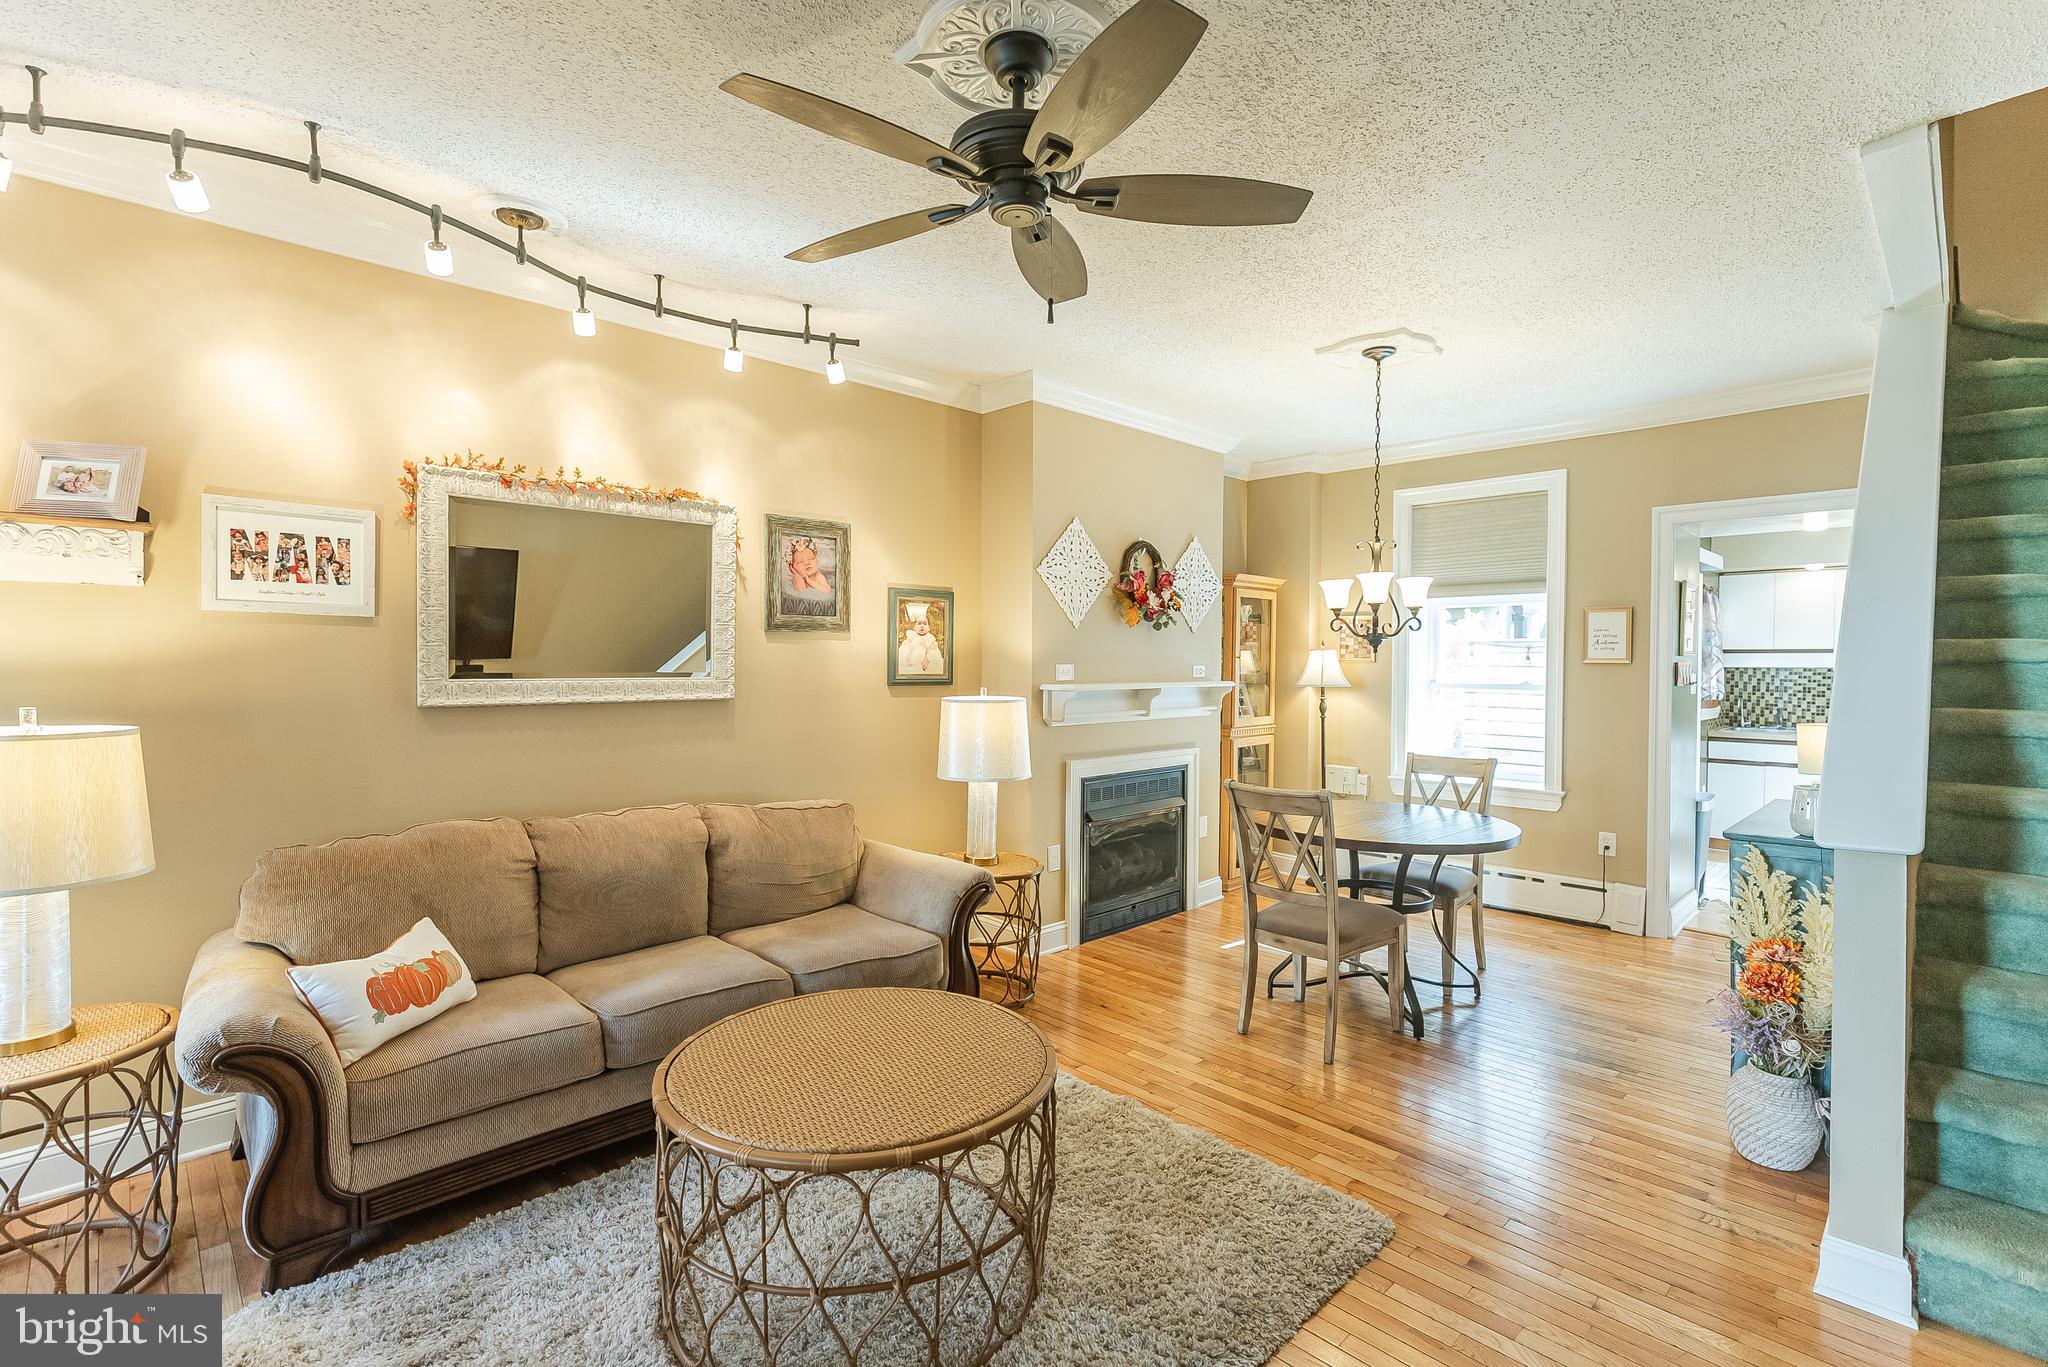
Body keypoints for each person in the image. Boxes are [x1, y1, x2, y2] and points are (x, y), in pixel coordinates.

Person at [897, 606, 944, 676]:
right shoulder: (912, 635)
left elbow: (933, 644)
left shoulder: (929, 637)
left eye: (925, 624)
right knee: (909, 658)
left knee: (932, 659)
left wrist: (934, 644)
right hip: (914, 653)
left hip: (927, 654)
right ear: (914, 627)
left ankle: (927, 668)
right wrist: (907, 643)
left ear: (929, 627)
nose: (922, 626)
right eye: (919, 624)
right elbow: (908, 643)